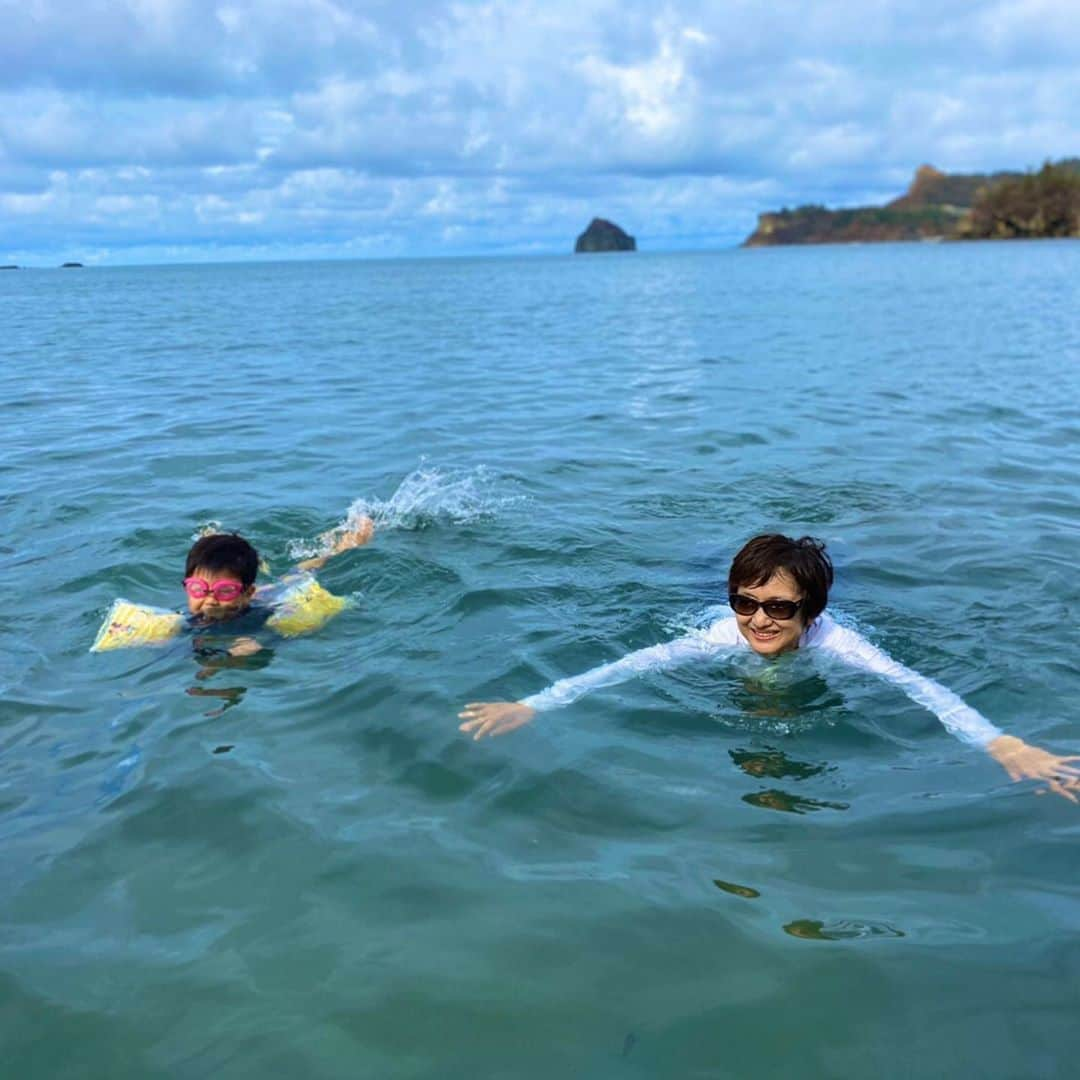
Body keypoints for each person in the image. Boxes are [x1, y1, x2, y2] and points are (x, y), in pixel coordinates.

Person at [459, 534, 1080, 801]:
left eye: (779, 607)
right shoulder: (715, 637)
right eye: (745, 603)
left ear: (810, 613)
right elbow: (624, 666)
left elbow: (921, 690)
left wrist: (1001, 742)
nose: (758, 620)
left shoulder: (839, 645)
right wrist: (533, 704)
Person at [183, 518, 374, 657]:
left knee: (300, 573)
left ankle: (347, 544)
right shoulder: (193, 617)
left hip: (279, 598)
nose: (209, 600)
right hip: (260, 591)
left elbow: (266, 640)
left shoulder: (259, 620)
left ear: (247, 593)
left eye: (224, 590)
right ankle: (231, 550)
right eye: (197, 589)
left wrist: (241, 651)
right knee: (289, 574)